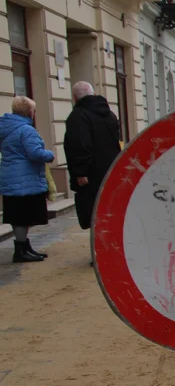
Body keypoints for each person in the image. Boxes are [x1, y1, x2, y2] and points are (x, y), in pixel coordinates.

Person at [64, 82, 122, 258]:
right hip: (110, 171)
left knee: (93, 213)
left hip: (91, 174)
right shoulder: (109, 114)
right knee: (108, 211)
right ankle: (111, 247)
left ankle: (99, 251)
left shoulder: (78, 116)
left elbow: (78, 145)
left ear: (75, 98)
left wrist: (80, 172)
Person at [0, 96, 55, 263]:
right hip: (25, 179)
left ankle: (24, 248)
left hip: (11, 176)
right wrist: (49, 155)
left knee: (17, 215)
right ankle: (21, 251)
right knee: (23, 216)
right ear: (30, 112)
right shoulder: (26, 129)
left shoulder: (6, 127)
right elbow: (35, 153)